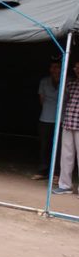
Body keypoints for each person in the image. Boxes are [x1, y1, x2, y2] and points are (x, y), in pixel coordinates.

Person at [52, 61, 79, 195]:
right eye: (76, 67)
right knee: (66, 155)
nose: (77, 70)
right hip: (69, 122)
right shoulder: (71, 83)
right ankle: (65, 185)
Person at [32, 58, 61, 180]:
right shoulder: (44, 81)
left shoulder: (68, 80)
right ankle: (43, 171)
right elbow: (41, 100)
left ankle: (57, 173)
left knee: (59, 147)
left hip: (61, 119)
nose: (53, 70)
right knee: (44, 146)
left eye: (56, 67)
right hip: (45, 118)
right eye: (52, 67)